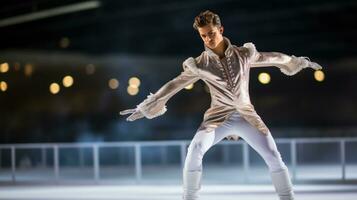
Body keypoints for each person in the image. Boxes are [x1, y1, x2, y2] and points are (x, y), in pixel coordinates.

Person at [120, 10, 322, 200]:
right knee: (195, 148)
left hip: (247, 116)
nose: (208, 39)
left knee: (273, 155)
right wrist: (147, 106)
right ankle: (189, 197)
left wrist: (297, 62)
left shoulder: (244, 54)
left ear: (221, 30)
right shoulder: (199, 64)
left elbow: (273, 57)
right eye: (203, 36)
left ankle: (287, 197)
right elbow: (174, 84)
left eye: (211, 33)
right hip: (217, 118)